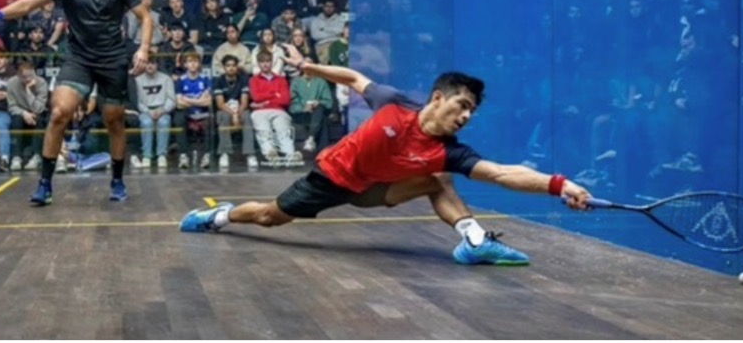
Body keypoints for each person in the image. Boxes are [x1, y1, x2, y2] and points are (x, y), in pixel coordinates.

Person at [180, 45, 593, 265]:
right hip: (332, 176)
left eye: (472, 111)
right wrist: (310, 67)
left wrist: (561, 185)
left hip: (374, 188)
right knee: (270, 217)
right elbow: (356, 78)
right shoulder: (396, 103)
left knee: (438, 176)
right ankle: (217, 217)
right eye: (462, 104)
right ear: (437, 98)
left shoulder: (449, 150)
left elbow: (502, 174)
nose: (466, 115)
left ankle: (474, 240)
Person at [0, 0, 152, 205]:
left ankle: (117, 180)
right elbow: (28, 4)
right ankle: (45, 184)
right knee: (59, 113)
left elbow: (145, 16)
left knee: (114, 120)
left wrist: (142, 49)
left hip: (113, 59)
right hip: (79, 59)